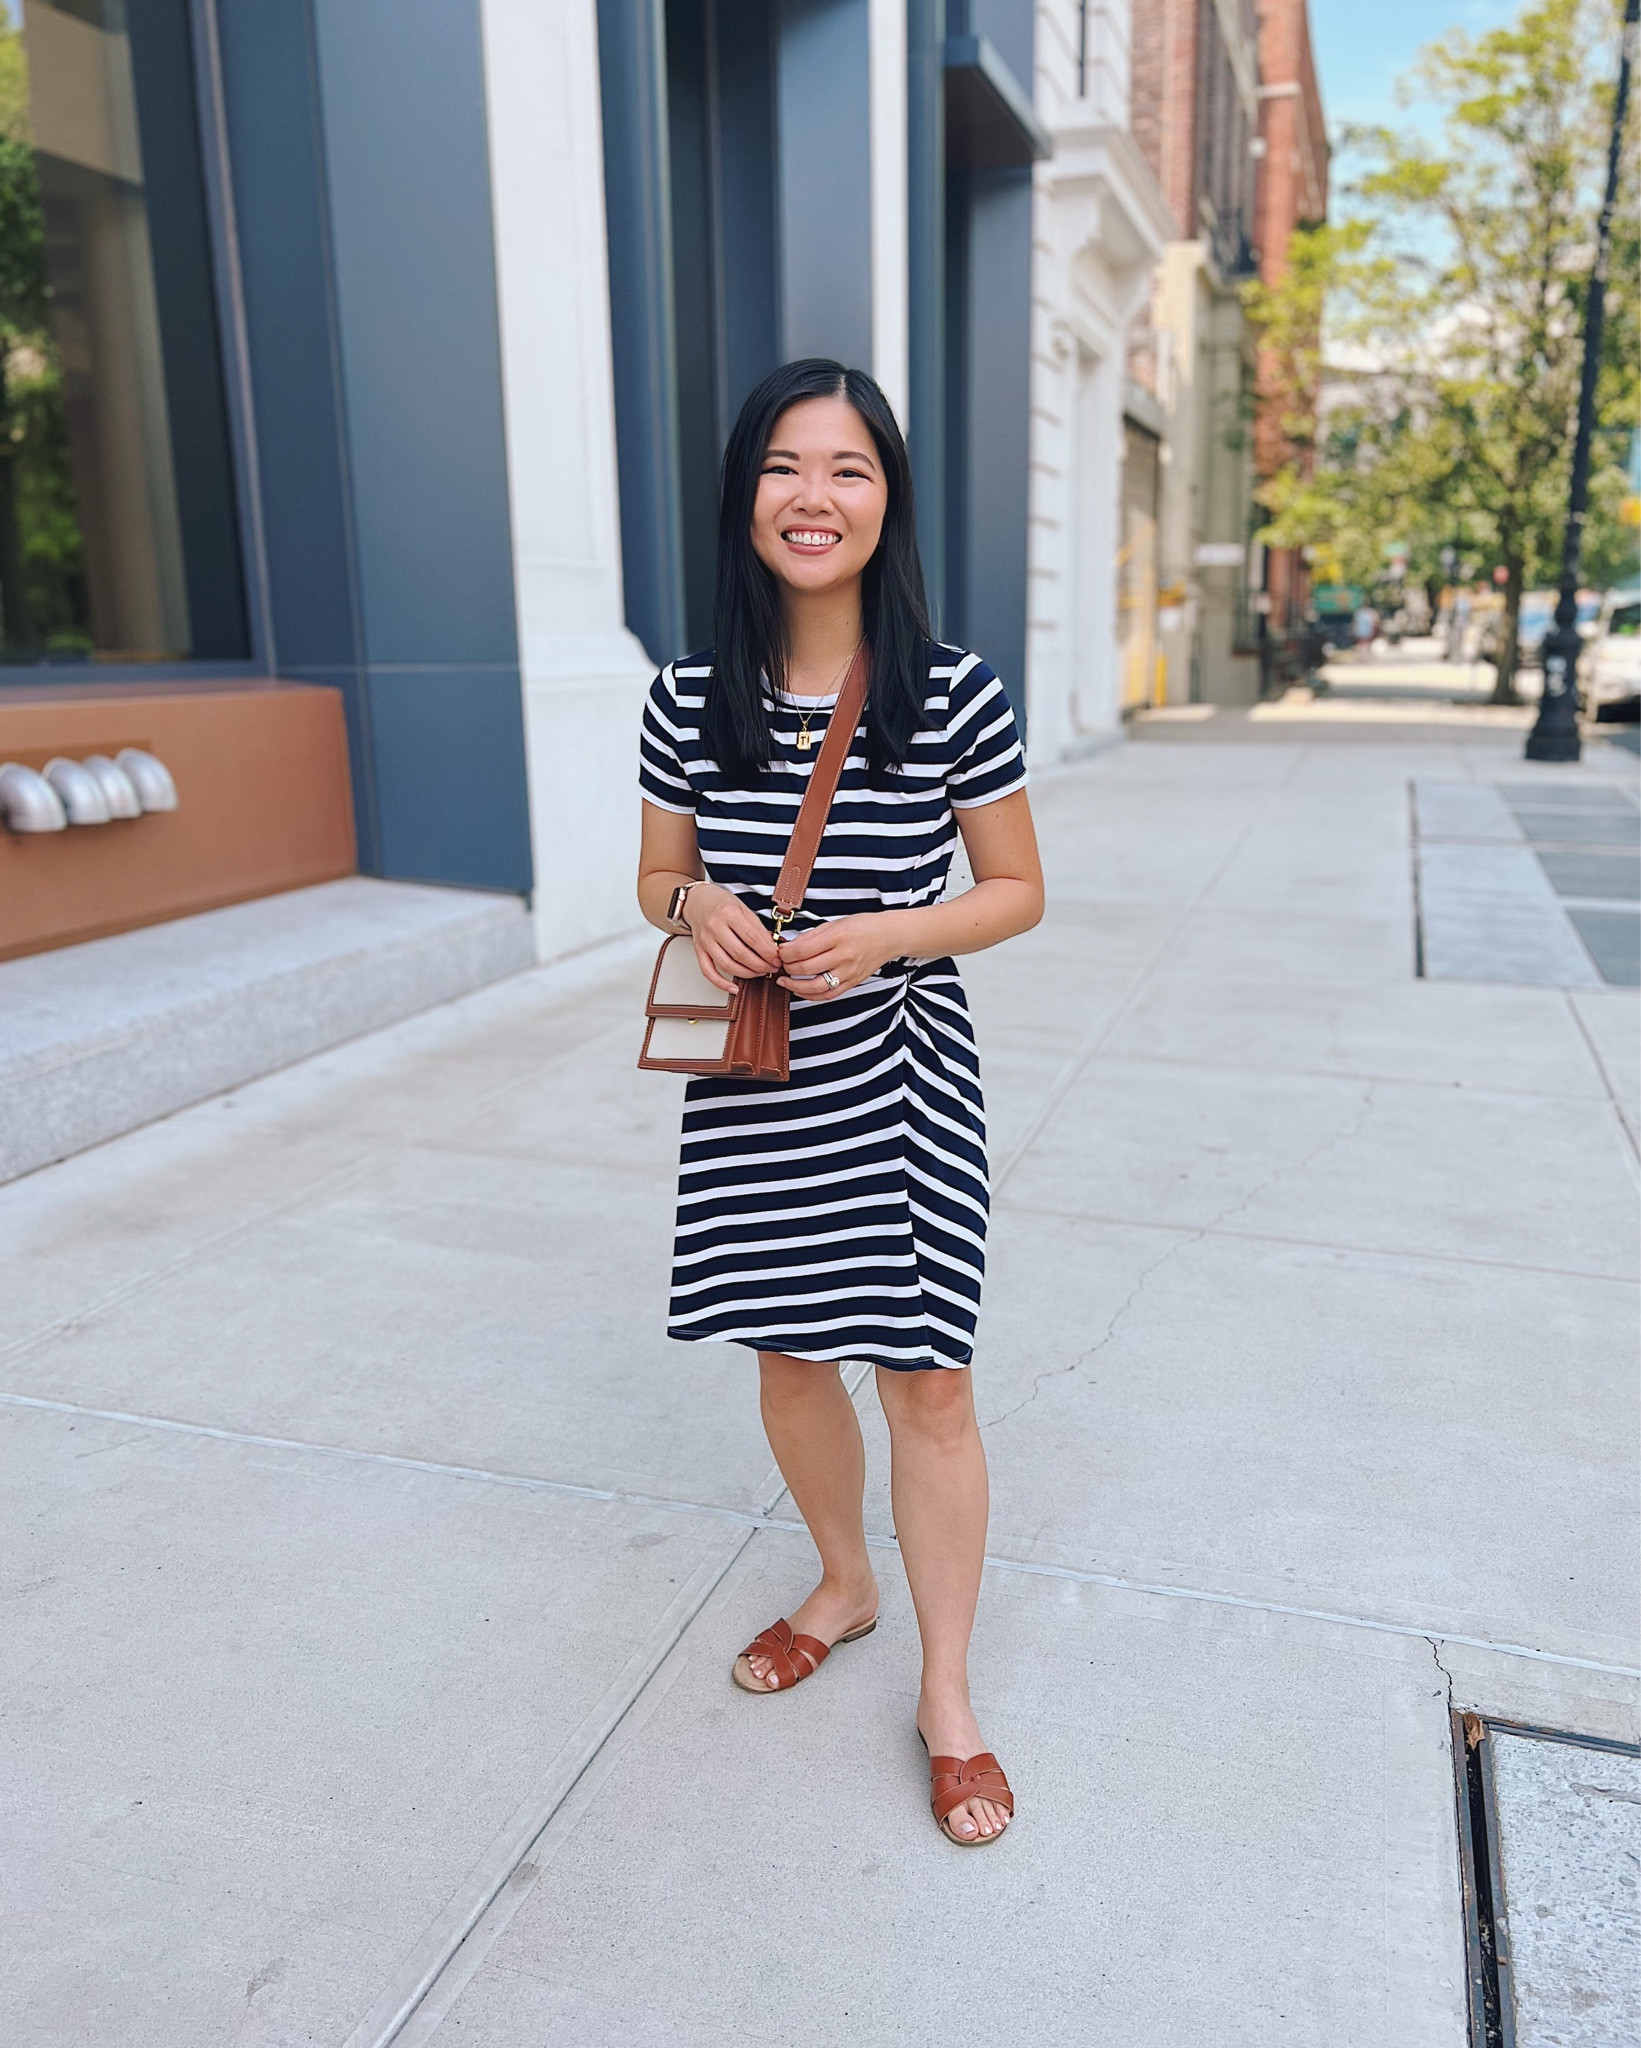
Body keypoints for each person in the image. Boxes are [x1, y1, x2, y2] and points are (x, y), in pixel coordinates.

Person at [636, 359, 1044, 1847]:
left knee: (927, 1381)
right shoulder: (688, 696)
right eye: (784, 467)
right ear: (744, 496)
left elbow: (1016, 890)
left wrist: (888, 934)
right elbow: (655, 874)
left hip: (901, 1077)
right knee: (789, 1354)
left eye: (848, 469)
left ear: (887, 502)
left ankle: (946, 1694)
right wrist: (696, 905)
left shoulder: (953, 690)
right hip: (757, 1081)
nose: (813, 497)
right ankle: (843, 1582)